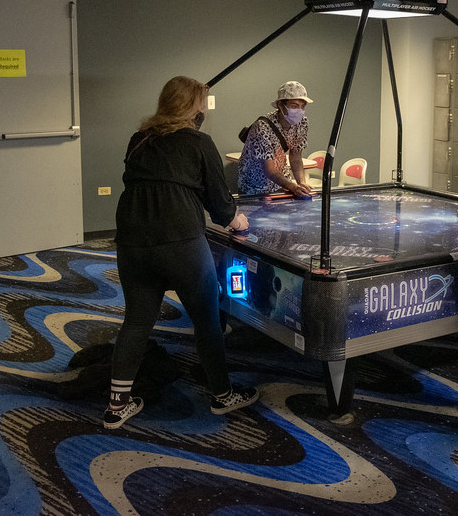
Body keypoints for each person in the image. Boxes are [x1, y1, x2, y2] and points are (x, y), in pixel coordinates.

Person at [105, 76, 258, 430]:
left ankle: (116, 406)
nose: (204, 109)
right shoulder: (199, 142)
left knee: (137, 321)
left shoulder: (138, 140)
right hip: (181, 243)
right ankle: (222, 396)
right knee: (207, 319)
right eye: (202, 103)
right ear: (193, 107)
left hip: (132, 242)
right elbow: (220, 205)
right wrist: (237, 220)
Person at [238, 80, 314, 197]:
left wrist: (301, 184)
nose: (299, 111)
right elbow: (270, 170)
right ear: (280, 105)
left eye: (302, 106)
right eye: (294, 106)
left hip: (281, 184)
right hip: (254, 187)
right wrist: (293, 187)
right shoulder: (262, 127)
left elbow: (296, 158)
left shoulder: (302, 123)